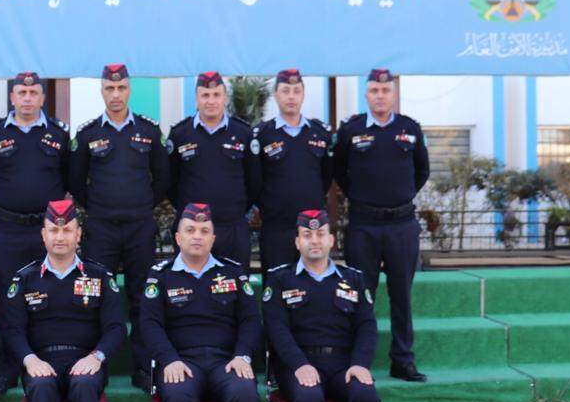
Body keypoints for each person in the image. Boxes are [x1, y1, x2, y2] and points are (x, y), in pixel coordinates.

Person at [139, 202, 267, 402]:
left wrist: (243, 355)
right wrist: (168, 359)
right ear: (177, 237)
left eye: (204, 231)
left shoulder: (233, 273)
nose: (197, 236)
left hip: (227, 362)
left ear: (213, 238)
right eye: (190, 230)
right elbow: (149, 324)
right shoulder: (161, 276)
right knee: (177, 395)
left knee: (246, 394)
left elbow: (251, 320)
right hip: (182, 362)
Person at [3, 200, 125, 402]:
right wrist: (29, 359)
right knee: (42, 389)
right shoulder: (25, 278)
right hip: (40, 362)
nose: (60, 237)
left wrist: (97, 357)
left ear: (78, 235)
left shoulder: (99, 276)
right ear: (43, 235)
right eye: (54, 230)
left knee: (85, 386)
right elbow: (12, 331)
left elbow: (116, 329)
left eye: (67, 230)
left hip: (85, 361)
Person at [263, 209, 380, 402]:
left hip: (344, 365)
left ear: (331, 240)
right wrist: (299, 365)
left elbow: (367, 327)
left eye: (320, 234)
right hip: (298, 364)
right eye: (307, 235)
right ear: (297, 242)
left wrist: (360, 364)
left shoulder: (353, 279)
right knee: (308, 399)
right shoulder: (280, 279)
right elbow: (277, 329)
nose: (314, 240)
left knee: (367, 398)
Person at [67, 64, 167, 391]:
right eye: (110, 89)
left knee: (142, 298)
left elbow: (163, 179)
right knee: (96, 297)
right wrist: (101, 207)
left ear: (129, 90)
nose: (116, 94)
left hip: (139, 228)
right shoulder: (87, 134)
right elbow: (76, 182)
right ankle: (98, 367)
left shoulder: (150, 131)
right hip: (101, 229)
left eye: (121, 88)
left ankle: (143, 367)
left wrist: (139, 205)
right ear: (102, 91)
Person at [333, 69, 431, 383]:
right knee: (361, 295)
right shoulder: (351, 130)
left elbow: (422, 171)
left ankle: (402, 361)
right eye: (374, 90)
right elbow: (339, 171)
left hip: (402, 224)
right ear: (366, 94)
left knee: (402, 295)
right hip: (364, 225)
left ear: (394, 94)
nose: (380, 96)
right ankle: (357, 361)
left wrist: (399, 198)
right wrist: (365, 199)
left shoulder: (410, 128)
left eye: (385, 90)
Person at [0, 72, 70, 394]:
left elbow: (69, 178)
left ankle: (49, 359)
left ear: (42, 97)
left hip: (49, 230)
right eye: (22, 92)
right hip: (8, 228)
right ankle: (9, 366)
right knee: (10, 297)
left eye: (33, 93)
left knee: (51, 294)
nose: (28, 98)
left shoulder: (59, 134)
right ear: (12, 97)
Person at [166, 72, 260, 267]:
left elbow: (254, 181)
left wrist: (234, 208)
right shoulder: (180, 134)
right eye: (205, 95)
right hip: (192, 230)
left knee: (235, 283)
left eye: (216, 95)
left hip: (232, 229)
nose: (211, 101)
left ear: (225, 97)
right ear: (196, 98)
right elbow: (170, 180)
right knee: (189, 282)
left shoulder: (243, 133)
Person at [252, 69, 333, 273]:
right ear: (275, 94)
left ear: (303, 95)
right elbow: (254, 179)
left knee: (314, 284)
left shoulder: (320, 133)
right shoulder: (262, 135)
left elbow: (326, 176)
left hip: (312, 229)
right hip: (276, 228)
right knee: (277, 284)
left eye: (296, 91)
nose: (291, 96)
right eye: (285, 91)